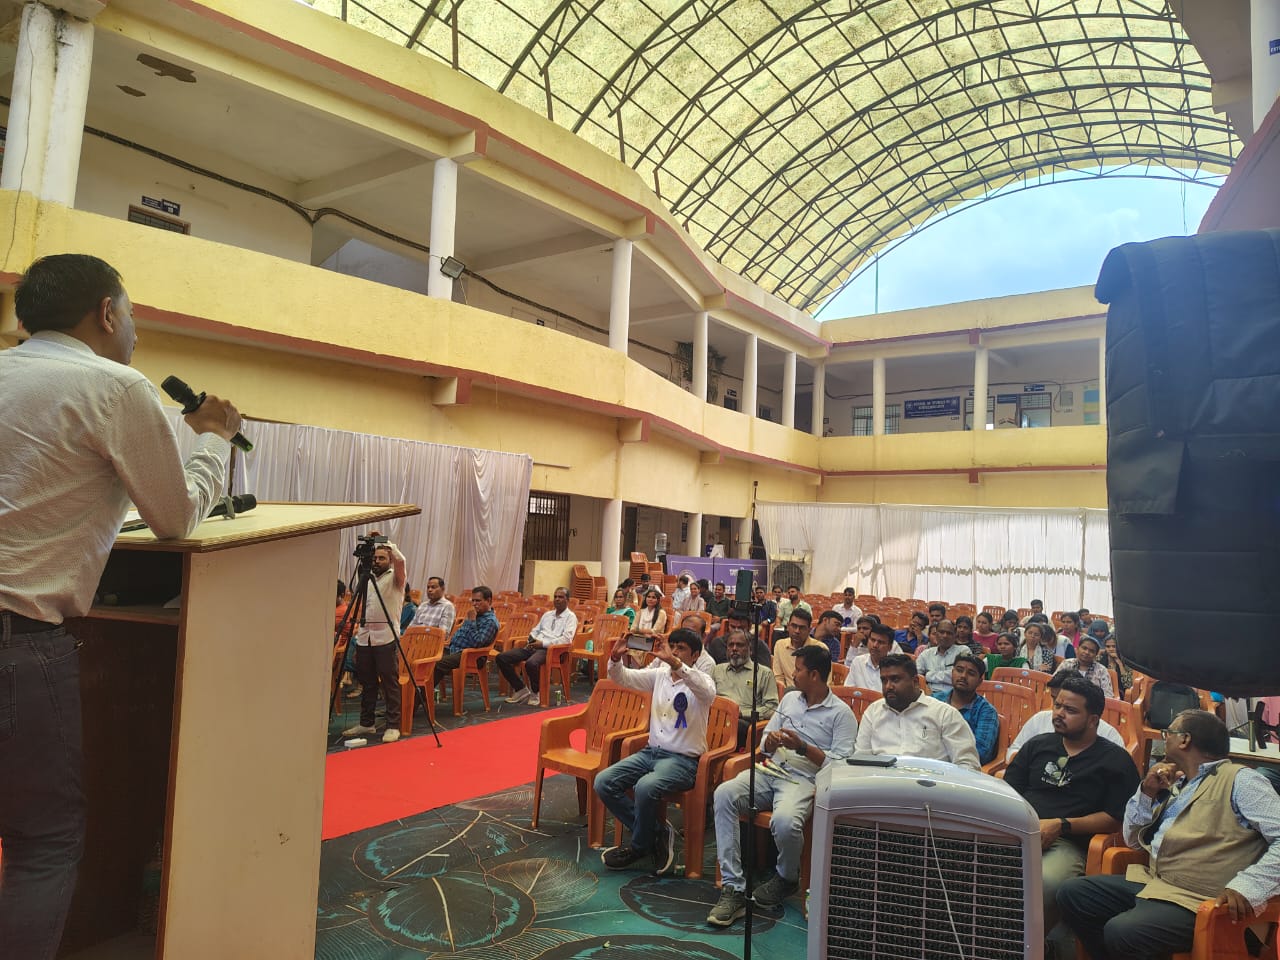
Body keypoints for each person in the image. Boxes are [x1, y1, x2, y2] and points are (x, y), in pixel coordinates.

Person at [0, 253, 241, 960]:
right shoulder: (114, 386)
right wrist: (212, 439)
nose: (133, 329)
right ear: (107, 312)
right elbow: (174, 518)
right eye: (130, 314)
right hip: (17, 637)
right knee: (43, 842)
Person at [1058, 710, 1280, 960]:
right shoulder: (1179, 783)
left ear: (1184, 740)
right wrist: (1147, 792)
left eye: (1168, 734)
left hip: (1205, 899)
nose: (1164, 739)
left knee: (1123, 931)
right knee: (1074, 894)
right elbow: (1133, 841)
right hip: (1159, 883)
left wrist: (1249, 886)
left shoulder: (1242, 780)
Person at [708, 645, 856, 925]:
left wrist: (802, 747)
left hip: (803, 779)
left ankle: (787, 877)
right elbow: (764, 742)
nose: (793, 674)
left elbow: (840, 766)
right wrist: (771, 742)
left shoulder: (840, 714)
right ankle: (733, 886)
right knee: (724, 793)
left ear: (814, 674)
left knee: (786, 822)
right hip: (770, 770)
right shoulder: (789, 700)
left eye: (798, 670)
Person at [1005, 675, 1141, 959]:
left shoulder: (1115, 760)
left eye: (1070, 710)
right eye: (1057, 705)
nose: (1058, 714)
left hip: (1069, 843)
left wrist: (1062, 825)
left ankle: (1026, 949)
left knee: (1044, 881)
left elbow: (1115, 818)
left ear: (1093, 720)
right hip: (1019, 832)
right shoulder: (1038, 745)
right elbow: (1008, 792)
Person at [595, 628, 717, 873]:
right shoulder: (660, 674)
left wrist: (676, 663)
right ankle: (656, 832)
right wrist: (616, 659)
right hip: (650, 753)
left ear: (695, 655)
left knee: (645, 786)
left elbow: (707, 693)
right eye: (672, 646)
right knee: (603, 782)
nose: (674, 651)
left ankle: (640, 846)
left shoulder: (702, 680)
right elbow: (623, 678)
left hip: (683, 761)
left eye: (681, 648)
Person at [854, 654, 980, 769]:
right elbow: (861, 760)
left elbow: (968, 765)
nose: (888, 686)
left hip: (931, 783)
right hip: (881, 783)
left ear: (915, 682)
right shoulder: (873, 712)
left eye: (895, 680)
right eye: (884, 680)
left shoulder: (944, 714)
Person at [343, 536, 409, 743]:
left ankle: (393, 725)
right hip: (365, 637)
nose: (377, 561)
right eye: (375, 558)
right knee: (367, 682)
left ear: (389, 560)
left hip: (386, 636)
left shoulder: (396, 578)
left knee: (389, 683)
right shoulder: (367, 578)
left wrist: (383, 540)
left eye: (382, 558)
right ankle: (367, 723)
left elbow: (401, 560)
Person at [1007, 670, 1127, 760]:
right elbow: (1014, 750)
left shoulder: (1109, 735)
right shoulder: (1040, 719)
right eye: (1056, 701)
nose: (1059, 711)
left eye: (1069, 708)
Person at [498, 587, 577, 705]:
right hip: (535, 646)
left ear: (567, 600)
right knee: (502, 658)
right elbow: (536, 630)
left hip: (551, 650)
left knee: (531, 663)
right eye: (555, 597)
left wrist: (543, 644)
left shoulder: (571, 617)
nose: (557, 599)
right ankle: (520, 689)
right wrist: (531, 640)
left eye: (560, 597)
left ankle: (535, 692)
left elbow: (566, 639)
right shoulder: (547, 614)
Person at [711, 628, 779, 749]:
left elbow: (772, 709)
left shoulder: (764, 673)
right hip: (717, 719)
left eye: (740, 645)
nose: (734, 648)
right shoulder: (717, 670)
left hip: (743, 722)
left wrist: (742, 714)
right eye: (731, 645)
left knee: (736, 725)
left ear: (750, 650)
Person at [933, 654, 1000, 764]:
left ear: (979, 681)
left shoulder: (986, 712)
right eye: (959, 670)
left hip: (962, 767)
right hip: (930, 762)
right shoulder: (935, 700)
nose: (963, 676)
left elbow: (980, 753)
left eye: (971, 673)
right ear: (952, 673)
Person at [431, 586, 500, 691]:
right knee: (427, 659)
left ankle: (420, 696)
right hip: (455, 650)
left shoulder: (490, 622)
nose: (474, 604)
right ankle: (421, 694)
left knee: (438, 663)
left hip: (472, 656)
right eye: (473, 601)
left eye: (478, 601)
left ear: (489, 601)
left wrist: (471, 621)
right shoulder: (476, 615)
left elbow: (477, 643)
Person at [915, 618, 970, 696]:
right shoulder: (926, 654)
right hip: (929, 695)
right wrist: (925, 688)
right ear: (936, 634)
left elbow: (960, 676)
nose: (945, 636)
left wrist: (928, 675)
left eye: (949, 633)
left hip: (955, 696)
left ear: (955, 635)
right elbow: (916, 675)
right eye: (941, 632)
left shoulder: (963, 651)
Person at [772, 608, 824, 689]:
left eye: (802, 628)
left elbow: (824, 683)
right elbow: (778, 677)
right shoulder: (780, 645)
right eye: (794, 626)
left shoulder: (820, 649)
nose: (797, 631)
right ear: (788, 626)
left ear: (809, 630)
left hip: (811, 693)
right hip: (787, 692)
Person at [845, 621, 901, 690]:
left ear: (890, 647)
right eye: (872, 640)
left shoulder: (896, 668)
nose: (875, 645)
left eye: (880, 642)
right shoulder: (858, 662)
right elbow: (848, 689)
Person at [1100, 634, 1133, 700]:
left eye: (1114, 646)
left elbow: (1128, 685)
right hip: (1101, 691)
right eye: (1108, 646)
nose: (1111, 649)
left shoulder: (1126, 661)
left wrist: (1119, 663)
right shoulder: (1099, 659)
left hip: (1120, 693)